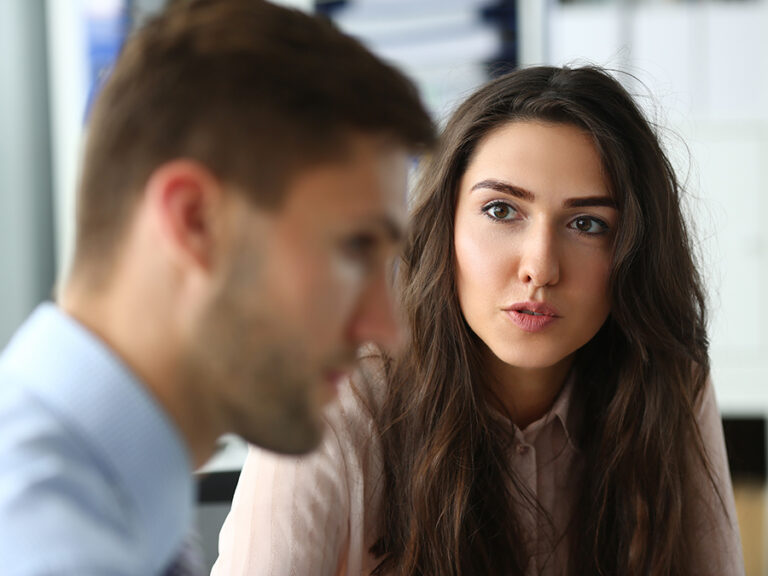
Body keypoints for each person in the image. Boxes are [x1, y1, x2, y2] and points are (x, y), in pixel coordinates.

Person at [212, 65, 745, 576]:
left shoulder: (667, 382)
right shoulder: (331, 398)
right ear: (443, 224)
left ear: (635, 251)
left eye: (587, 224)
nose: (539, 267)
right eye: (501, 211)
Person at [0, 0, 434, 574]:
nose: (388, 330)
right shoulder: (52, 545)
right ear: (194, 221)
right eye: (354, 248)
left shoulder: (114, 497)